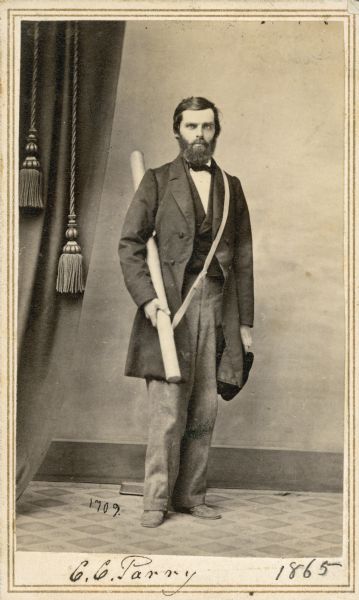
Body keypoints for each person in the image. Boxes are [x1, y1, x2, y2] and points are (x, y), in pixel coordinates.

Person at [119, 96, 254, 528]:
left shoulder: (232, 186)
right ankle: (155, 502)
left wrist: (245, 325)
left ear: (217, 131)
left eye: (207, 127)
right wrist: (149, 301)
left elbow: (245, 258)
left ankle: (191, 496)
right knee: (167, 411)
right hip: (169, 308)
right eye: (191, 127)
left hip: (217, 307)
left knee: (204, 411)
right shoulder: (157, 180)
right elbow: (130, 245)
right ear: (177, 130)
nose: (199, 135)